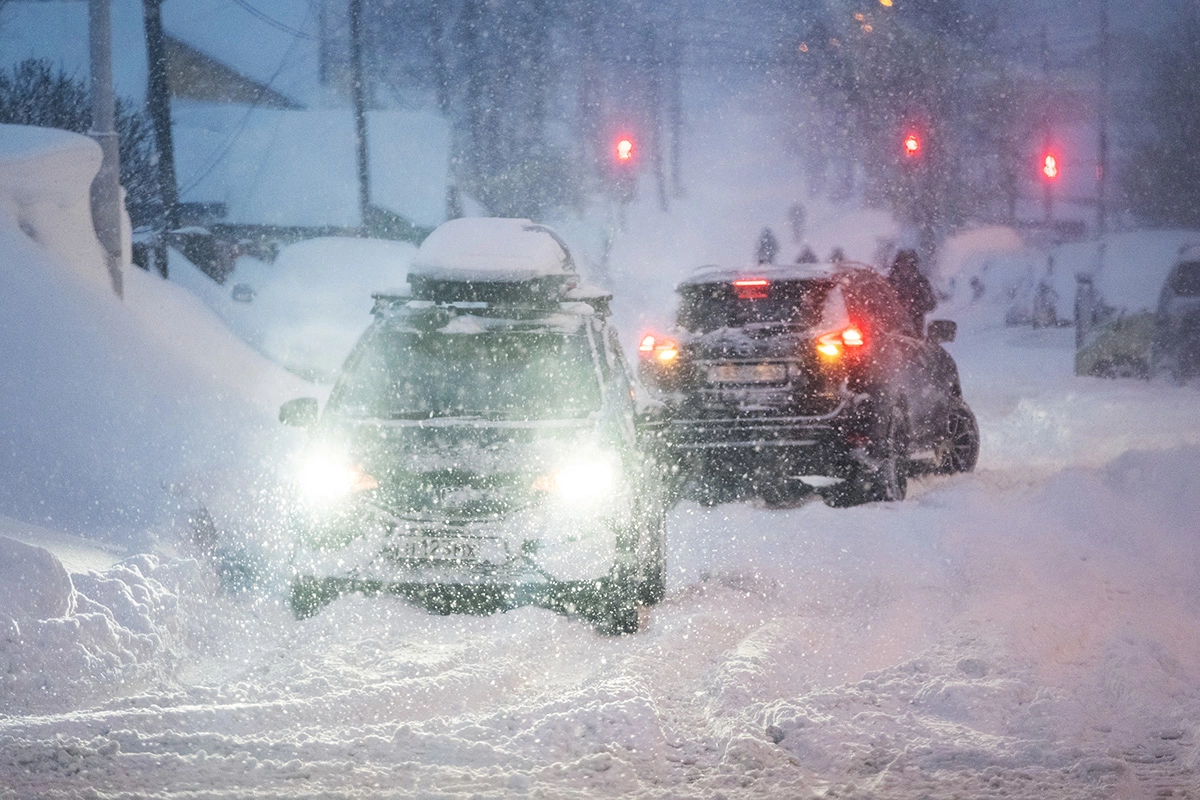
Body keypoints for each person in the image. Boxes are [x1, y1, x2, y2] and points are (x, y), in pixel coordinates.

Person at [887, 249, 937, 334]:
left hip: (914, 332)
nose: (905, 267)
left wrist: (916, 308)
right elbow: (877, 303)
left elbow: (931, 304)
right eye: (902, 264)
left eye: (909, 264)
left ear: (914, 266)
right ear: (897, 265)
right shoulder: (888, 283)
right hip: (888, 331)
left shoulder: (921, 283)